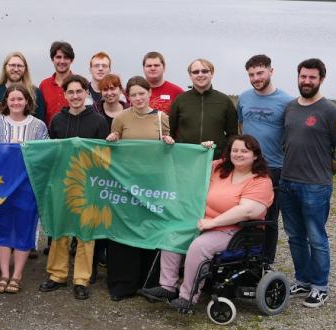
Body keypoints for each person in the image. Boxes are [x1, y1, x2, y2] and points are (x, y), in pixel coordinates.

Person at [140, 135, 274, 310]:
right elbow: (192, 167)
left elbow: (248, 210)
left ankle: (187, 297)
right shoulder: (219, 167)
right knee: (172, 234)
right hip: (204, 222)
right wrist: (201, 151)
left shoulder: (260, 181)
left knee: (199, 246)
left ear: (255, 155)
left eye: (244, 151)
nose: (238, 154)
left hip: (233, 230)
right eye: (234, 150)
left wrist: (214, 222)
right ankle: (167, 286)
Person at [280, 58, 336, 308]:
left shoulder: (331, 112)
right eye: (303, 76)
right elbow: (285, 141)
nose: (306, 81)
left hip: (315, 187)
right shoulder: (289, 107)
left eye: (312, 77)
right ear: (298, 77)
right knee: (295, 236)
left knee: (316, 237)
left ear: (321, 79)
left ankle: (320, 286)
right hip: (287, 182)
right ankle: (303, 280)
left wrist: (324, 173)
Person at [39, 75, 110, 300]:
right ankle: (57, 275)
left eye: (79, 91)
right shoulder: (57, 120)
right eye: (71, 92)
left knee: (85, 232)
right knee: (60, 230)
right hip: (62, 182)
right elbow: (51, 152)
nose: (75, 96)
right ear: (65, 95)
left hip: (88, 184)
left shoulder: (98, 121)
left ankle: (81, 279)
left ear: (86, 93)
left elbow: (104, 156)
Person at [104, 76, 174, 301]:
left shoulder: (162, 118)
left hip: (153, 185)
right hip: (127, 184)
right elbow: (114, 150)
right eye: (133, 95)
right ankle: (123, 284)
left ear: (149, 94)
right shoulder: (120, 118)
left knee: (150, 229)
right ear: (128, 96)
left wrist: (170, 143)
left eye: (141, 93)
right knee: (125, 230)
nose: (138, 98)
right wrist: (113, 139)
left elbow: (167, 151)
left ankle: (149, 283)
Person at [0, 84, 49, 293]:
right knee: (2, 227)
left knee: (24, 226)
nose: (16, 103)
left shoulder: (38, 126)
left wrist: (26, 149)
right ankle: (3, 274)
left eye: (20, 99)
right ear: (6, 102)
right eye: (12, 99)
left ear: (27, 101)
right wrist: (5, 149)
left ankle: (17, 275)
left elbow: (44, 154)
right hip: (1, 184)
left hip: (27, 185)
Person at [237, 54, 292, 264]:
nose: (256, 78)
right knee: (244, 213)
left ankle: (265, 261)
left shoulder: (286, 101)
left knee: (268, 216)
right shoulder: (243, 98)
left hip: (274, 167)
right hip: (247, 166)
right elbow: (241, 128)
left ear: (271, 71)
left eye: (260, 73)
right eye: (251, 74)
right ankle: (243, 255)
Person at [169, 58, 237, 159]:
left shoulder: (224, 101)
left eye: (204, 71)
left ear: (212, 73)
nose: (200, 74)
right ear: (190, 76)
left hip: (215, 160)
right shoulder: (180, 100)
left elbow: (233, 134)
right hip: (184, 158)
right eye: (196, 72)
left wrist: (223, 152)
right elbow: (170, 131)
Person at [0, 51, 46, 122]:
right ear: (5, 67)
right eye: (12, 65)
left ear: (25, 68)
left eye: (19, 66)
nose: (16, 69)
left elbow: (40, 121)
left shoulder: (35, 92)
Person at [38, 41, 75, 124]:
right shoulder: (44, 85)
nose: (62, 61)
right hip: (49, 134)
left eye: (66, 57)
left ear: (71, 60)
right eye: (58, 57)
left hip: (73, 135)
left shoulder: (79, 84)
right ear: (52, 59)